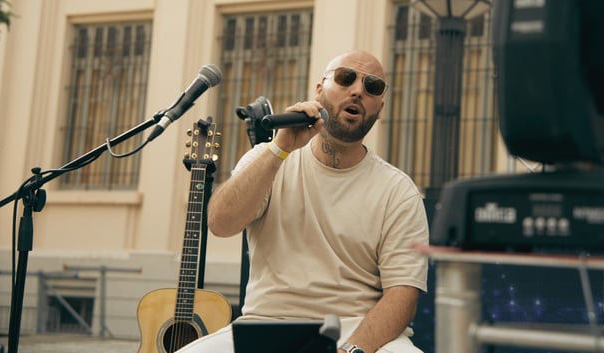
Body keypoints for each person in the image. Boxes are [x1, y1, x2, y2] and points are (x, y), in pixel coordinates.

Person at [179, 50, 429, 353]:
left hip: (358, 331)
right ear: (319, 90)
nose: (358, 91)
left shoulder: (398, 191)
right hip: (265, 326)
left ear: (380, 108)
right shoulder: (268, 158)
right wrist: (279, 148)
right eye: (346, 78)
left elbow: (403, 296)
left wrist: (350, 350)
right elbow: (220, 223)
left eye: (372, 86)